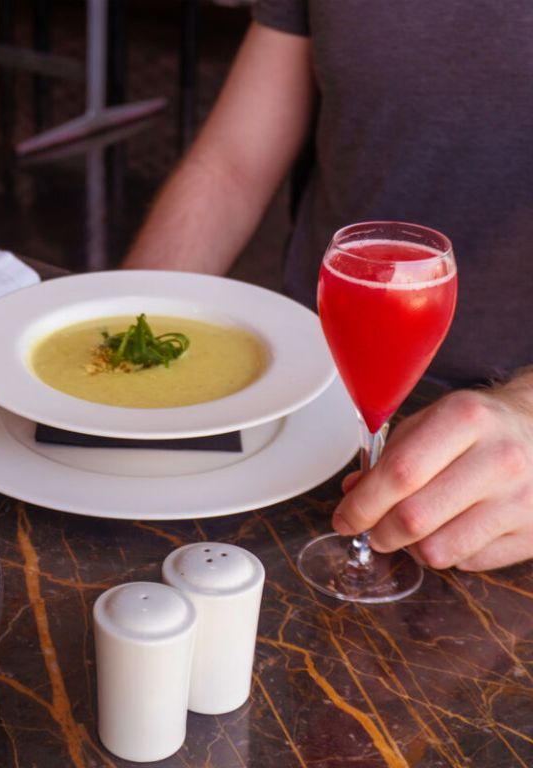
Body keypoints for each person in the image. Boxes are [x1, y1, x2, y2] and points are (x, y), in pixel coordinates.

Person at [123, 1, 533, 572]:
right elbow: (231, 166)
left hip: (511, 464)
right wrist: (125, 330)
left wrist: (528, 412)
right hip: (308, 398)